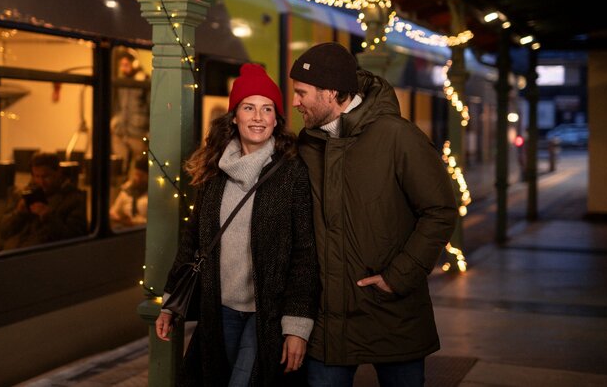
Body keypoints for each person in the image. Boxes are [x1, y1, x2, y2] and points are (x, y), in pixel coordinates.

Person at [289, 42, 458, 386]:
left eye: (301, 93)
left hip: (392, 313)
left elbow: (440, 210)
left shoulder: (398, 137)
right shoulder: (307, 145)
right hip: (328, 321)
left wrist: (397, 277)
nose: (294, 102)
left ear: (332, 92)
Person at [155, 63, 319, 387]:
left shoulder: (292, 173)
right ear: (234, 117)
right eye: (249, 107)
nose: (258, 117)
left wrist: (297, 326)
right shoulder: (214, 172)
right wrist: (170, 303)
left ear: (276, 119)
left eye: (266, 109)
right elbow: (193, 241)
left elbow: (305, 254)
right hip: (221, 309)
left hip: (268, 313)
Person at [0, 152, 87, 250]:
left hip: (39, 257)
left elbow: (75, 238)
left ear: (58, 172)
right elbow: (3, 231)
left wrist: (49, 217)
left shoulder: (73, 199)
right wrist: (19, 214)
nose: (41, 182)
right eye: (37, 176)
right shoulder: (25, 194)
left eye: (46, 177)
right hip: (10, 253)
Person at [110, 48, 150, 169]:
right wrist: (114, 121)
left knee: (136, 167)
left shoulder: (145, 81)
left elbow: (151, 107)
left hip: (138, 132)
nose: (123, 68)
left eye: (126, 64)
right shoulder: (121, 82)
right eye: (121, 65)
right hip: (121, 131)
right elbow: (117, 105)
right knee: (120, 165)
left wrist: (149, 133)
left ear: (135, 63)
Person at [109, 154, 149, 228]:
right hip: (126, 230)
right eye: (136, 174)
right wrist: (119, 218)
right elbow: (113, 211)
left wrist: (134, 222)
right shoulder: (127, 190)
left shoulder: (151, 195)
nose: (137, 178)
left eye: (141, 176)